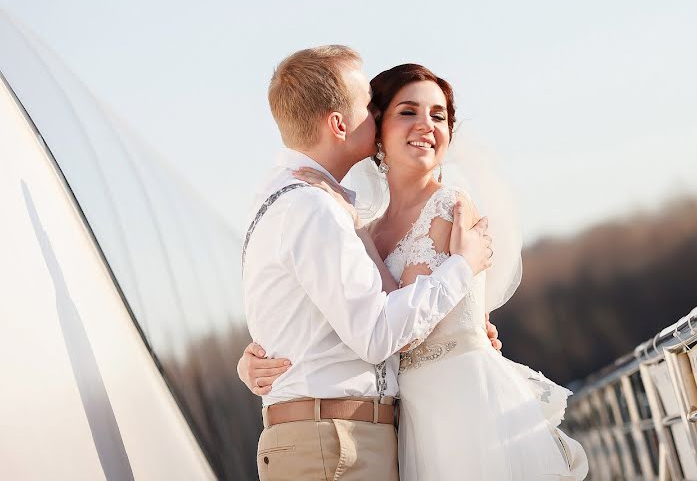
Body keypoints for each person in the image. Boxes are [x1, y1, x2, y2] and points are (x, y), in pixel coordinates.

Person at [241, 63, 588, 480]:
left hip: (462, 408)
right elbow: (354, 315)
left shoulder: (452, 209)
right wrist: (258, 356)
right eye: (407, 112)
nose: (426, 125)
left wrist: (472, 307)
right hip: (402, 423)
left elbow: (417, 330)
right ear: (376, 130)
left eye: (438, 115)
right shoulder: (356, 225)